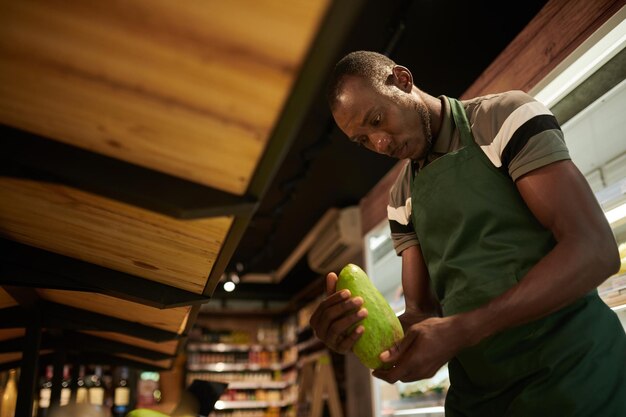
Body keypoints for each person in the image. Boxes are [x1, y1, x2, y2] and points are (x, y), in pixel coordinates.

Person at [310, 50, 626, 416]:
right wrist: (359, 332)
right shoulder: (401, 198)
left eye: (377, 120)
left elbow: (594, 249)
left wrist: (463, 329)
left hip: (575, 376)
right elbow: (421, 311)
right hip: (480, 397)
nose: (380, 144)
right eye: (363, 140)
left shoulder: (502, 118)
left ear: (402, 80)